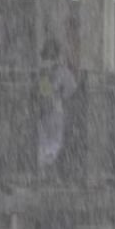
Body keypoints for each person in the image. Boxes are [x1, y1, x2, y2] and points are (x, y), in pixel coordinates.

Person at [36, 38, 76, 179]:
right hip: (55, 108)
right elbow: (71, 88)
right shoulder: (60, 70)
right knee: (54, 140)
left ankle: (44, 170)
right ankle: (48, 169)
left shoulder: (41, 70)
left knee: (45, 140)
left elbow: (43, 90)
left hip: (44, 109)